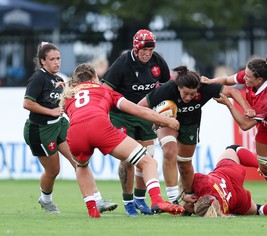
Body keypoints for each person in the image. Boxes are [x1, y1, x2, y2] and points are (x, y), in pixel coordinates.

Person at [60, 63, 184, 218]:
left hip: (76, 132)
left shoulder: (68, 96)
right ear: (94, 78)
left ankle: (92, 209)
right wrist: (166, 121)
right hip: (100, 127)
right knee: (147, 161)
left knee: (81, 166)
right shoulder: (105, 90)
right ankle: (157, 200)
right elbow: (139, 110)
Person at [202, 54, 267, 216]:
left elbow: (246, 125)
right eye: (245, 74)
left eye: (248, 77)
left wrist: (229, 104)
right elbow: (228, 80)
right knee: (263, 167)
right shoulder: (251, 75)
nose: (244, 78)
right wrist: (210, 81)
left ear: (260, 80)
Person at [23, 42, 117, 214]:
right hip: (40, 130)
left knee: (79, 162)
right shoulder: (38, 78)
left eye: (58, 58)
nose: (56, 62)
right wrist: (51, 111)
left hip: (60, 125)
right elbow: (27, 103)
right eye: (52, 59)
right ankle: (46, 200)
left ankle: (97, 200)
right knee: (53, 171)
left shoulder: (59, 79)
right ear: (43, 61)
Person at [138, 66, 253, 206]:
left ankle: (188, 199)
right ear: (178, 87)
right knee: (169, 151)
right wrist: (157, 119)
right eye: (185, 93)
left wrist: (247, 108)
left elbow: (233, 91)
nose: (188, 97)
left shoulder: (205, 87)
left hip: (190, 125)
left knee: (185, 164)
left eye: (192, 94)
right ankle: (173, 199)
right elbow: (140, 106)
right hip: (167, 122)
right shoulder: (168, 89)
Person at [102, 29, 171, 216]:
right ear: (136, 47)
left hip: (146, 114)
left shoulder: (158, 62)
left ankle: (140, 199)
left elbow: (167, 87)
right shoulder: (123, 63)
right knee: (128, 158)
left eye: (150, 49)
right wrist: (103, 113)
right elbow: (105, 89)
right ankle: (128, 201)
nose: (147, 53)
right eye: (144, 49)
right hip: (122, 114)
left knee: (148, 155)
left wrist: (162, 112)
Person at [181, 145, 267, 217]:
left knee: (258, 210)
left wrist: (186, 201)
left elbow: (192, 207)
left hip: (236, 199)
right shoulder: (200, 182)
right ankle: (261, 165)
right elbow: (186, 172)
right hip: (227, 174)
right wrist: (183, 192)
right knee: (233, 149)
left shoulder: (221, 210)